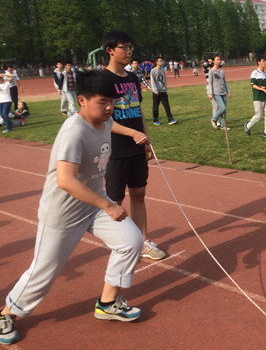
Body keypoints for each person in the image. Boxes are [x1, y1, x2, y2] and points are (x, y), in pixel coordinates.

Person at [0, 70, 143, 346]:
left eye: (112, 101)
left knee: (131, 241)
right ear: (82, 101)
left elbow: (111, 123)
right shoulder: (73, 132)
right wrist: (109, 206)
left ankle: (107, 303)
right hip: (62, 213)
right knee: (44, 271)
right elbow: (65, 180)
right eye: (103, 102)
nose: (109, 107)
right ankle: (7, 314)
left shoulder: (103, 118)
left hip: (91, 205)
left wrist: (136, 134)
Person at [100, 30, 165, 261]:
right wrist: (132, 133)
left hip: (137, 146)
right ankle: (119, 245)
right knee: (115, 201)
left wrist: (146, 140)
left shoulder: (132, 78)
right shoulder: (103, 80)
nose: (128, 51)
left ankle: (142, 242)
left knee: (139, 194)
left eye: (131, 47)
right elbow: (103, 118)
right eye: (124, 47)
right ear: (110, 50)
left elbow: (138, 111)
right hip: (115, 149)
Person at [245, 56, 266, 138]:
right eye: (263, 61)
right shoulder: (254, 73)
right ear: (259, 62)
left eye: (265, 61)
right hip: (257, 97)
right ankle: (248, 126)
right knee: (258, 116)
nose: (265, 63)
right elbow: (253, 85)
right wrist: (261, 89)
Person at [150, 58, 178, 126]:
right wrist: (155, 90)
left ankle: (170, 120)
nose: (161, 62)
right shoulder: (153, 71)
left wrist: (165, 88)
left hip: (163, 91)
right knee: (156, 107)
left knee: (167, 106)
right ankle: (155, 120)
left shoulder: (163, 70)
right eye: (160, 61)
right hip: (157, 92)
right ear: (156, 62)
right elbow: (152, 81)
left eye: (162, 61)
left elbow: (164, 80)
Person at [208, 55, 231, 130]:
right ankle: (214, 119)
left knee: (224, 110)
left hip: (223, 92)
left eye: (219, 59)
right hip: (216, 93)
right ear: (213, 61)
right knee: (222, 107)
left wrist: (228, 91)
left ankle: (223, 125)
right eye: (217, 59)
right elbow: (210, 83)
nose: (219, 61)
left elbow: (225, 82)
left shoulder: (222, 71)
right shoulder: (211, 71)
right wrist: (210, 93)